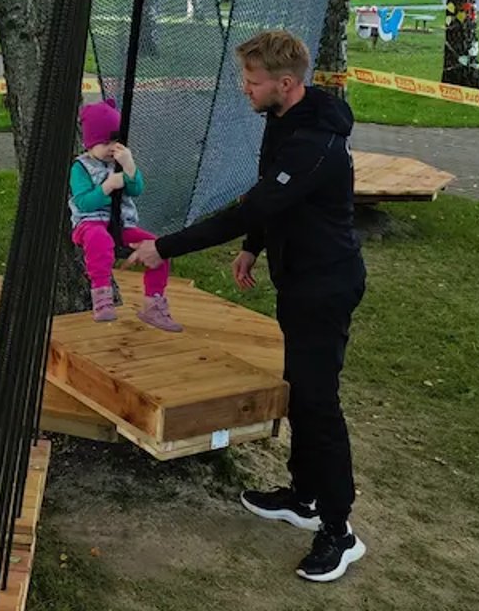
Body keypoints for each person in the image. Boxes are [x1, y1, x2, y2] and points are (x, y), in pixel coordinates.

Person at [128, 29, 368, 582]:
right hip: (298, 277)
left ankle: (339, 529)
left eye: (253, 81)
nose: (245, 89)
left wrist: (164, 247)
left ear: (285, 83)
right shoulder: (282, 121)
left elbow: (249, 205)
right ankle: (303, 497)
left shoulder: (316, 144)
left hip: (325, 285)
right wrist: (253, 248)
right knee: (301, 392)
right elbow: (269, 200)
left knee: (318, 405)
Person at [71, 99, 180, 333]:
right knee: (99, 240)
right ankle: (101, 295)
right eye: (105, 142)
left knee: (158, 247)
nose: (112, 147)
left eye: (116, 141)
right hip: (89, 224)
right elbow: (83, 203)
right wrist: (107, 186)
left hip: (122, 224)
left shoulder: (120, 161)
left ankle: (154, 303)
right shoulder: (80, 167)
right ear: (90, 143)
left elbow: (136, 190)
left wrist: (129, 167)